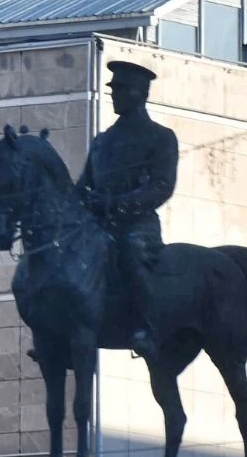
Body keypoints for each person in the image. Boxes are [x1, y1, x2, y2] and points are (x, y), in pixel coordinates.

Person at [76, 60, 178, 360]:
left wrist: (118, 204)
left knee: (131, 253)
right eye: (113, 89)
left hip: (137, 225)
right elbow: (84, 186)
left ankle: (146, 328)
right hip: (98, 227)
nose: (114, 94)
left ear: (140, 94)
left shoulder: (159, 137)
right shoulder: (102, 141)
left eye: (121, 89)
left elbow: (161, 186)